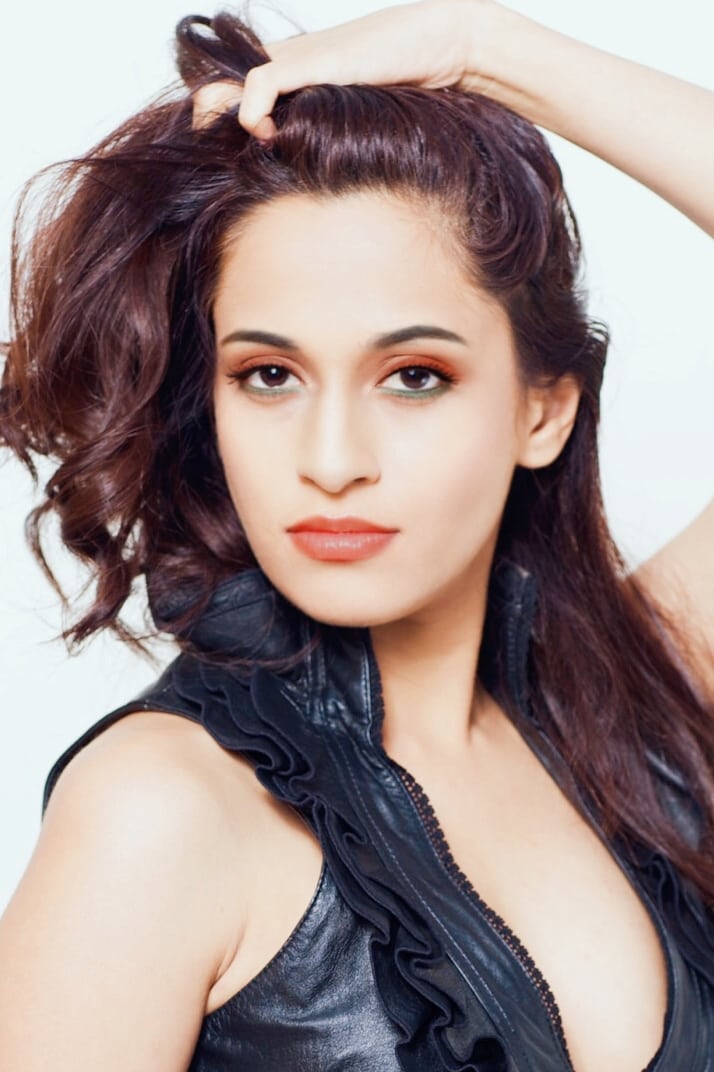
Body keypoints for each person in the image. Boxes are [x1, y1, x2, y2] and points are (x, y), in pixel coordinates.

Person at [0, 1, 712, 1069]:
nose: (333, 460)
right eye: (269, 375)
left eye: (414, 376)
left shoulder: (626, 711)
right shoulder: (158, 814)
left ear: (542, 411)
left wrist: (485, 47)